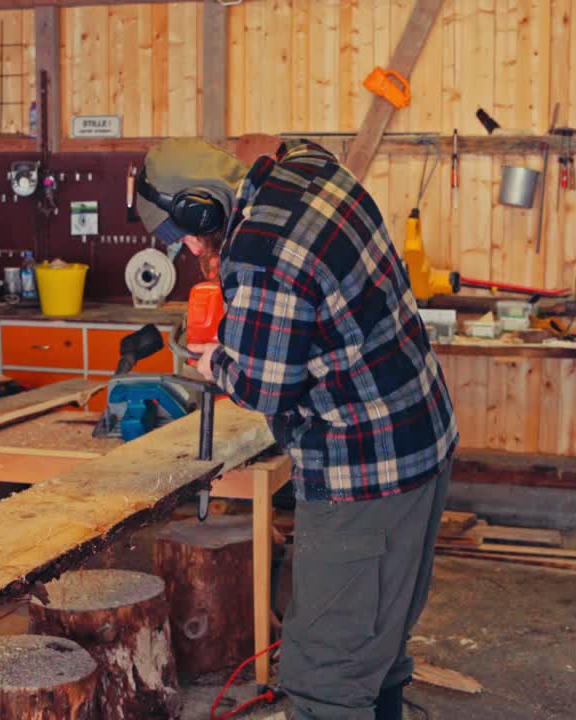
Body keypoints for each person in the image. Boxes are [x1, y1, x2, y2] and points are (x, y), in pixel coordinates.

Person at [135, 136, 457, 720]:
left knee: (326, 677)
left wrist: (213, 361)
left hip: (365, 470)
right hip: (422, 438)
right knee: (378, 646)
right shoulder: (308, 168)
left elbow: (263, 386)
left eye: (183, 232)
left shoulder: (260, 253)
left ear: (203, 207)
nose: (185, 247)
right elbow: (306, 298)